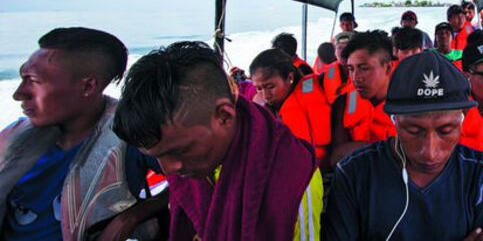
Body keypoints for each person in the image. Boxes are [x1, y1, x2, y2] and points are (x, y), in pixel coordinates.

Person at [112, 41, 322, 241]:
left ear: (224, 116)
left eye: (180, 151)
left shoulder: (295, 175)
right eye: (156, 156)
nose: (169, 169)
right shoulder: (191, 165)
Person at [322, 50, 483, 240]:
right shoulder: (353, 175)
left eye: (445, 131)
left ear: (462, 119)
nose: (430, 152)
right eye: (413, 131)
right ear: (393, 121)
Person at [1, 27, 165, 241]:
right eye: (22, 78)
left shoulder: (129, 137)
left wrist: (133, 216)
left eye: (34, 81)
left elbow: (193, 184)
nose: (18, 94)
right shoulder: (16, 136)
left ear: (88, 86)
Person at [249, 48, 332, 167]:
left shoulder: (313, 98)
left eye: (271, 86)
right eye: (259, 88)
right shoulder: (264, 106)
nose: (266, 95)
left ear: (290, 78)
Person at [329, 30, 396, 167]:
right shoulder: (342, 103)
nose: (356, 77)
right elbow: (337, 156)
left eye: (364, 68)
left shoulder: (410, 105)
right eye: (351, 69)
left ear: (388, 68)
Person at [319, 31, 355, 105]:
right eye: (339, 47)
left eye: (347, 47)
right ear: (335, 52)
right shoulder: (323, 76)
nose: (343, 51)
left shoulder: (367, 76)